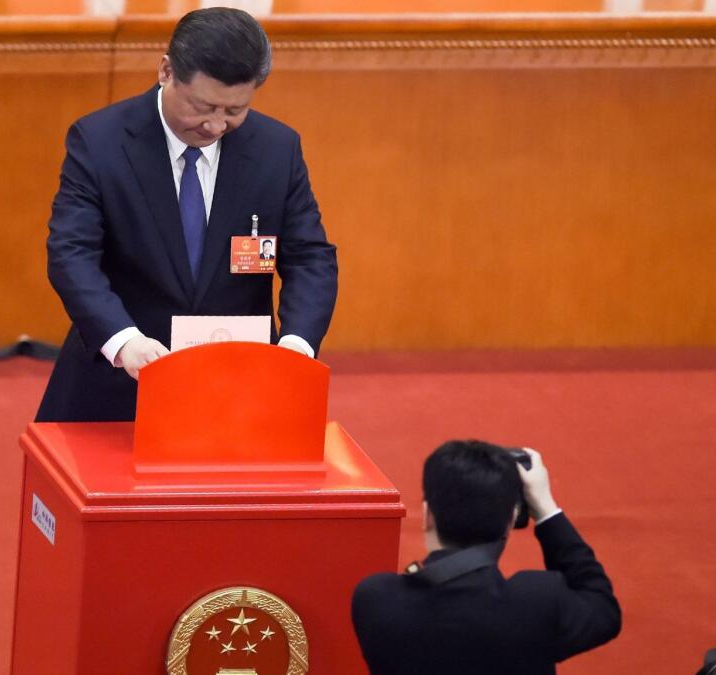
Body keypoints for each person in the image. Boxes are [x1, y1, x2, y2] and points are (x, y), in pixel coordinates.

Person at [35, 7, 338, 422]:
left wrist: (296, 346)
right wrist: (125, 342)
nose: (216, 125)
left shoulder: (276, 149)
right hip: (122, 381)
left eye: (235, 111)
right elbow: (71, 254)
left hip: (241, 387)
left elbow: (309, 257)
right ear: (166, 71)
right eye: (203, 106)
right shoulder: (100, 141)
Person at [351, 440, 621, 675]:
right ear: (511, 520)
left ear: (427, 515)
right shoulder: (538, 603)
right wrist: (546, 509)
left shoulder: (376, 600)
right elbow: (602, 607)